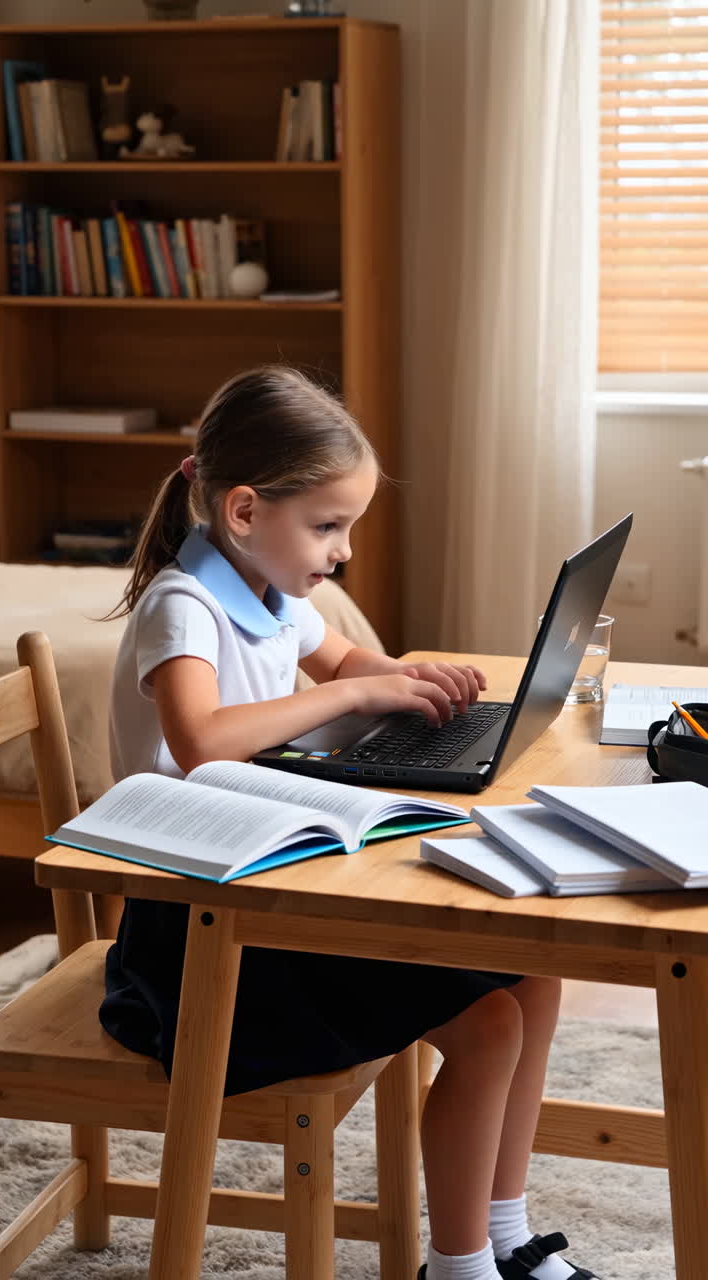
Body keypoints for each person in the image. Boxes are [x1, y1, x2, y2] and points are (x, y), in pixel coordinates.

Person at [101, 365, 600, 1280]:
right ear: (245, 512)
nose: (342, 552)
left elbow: (343, 659)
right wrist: (368, 687)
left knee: (534, 977)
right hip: (199, 949)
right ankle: (456, 1270)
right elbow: (202, 738)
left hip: (271, 897)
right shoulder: (184, 606)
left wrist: (409, 678)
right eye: (327, 527)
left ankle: (505, 1232)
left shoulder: (272, 595)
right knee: (488, 1023)